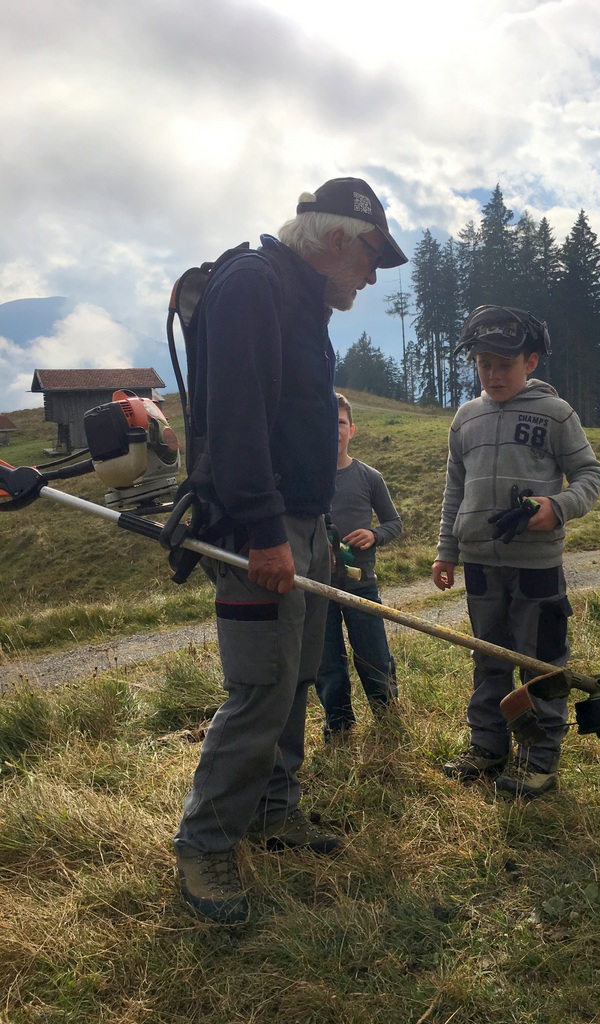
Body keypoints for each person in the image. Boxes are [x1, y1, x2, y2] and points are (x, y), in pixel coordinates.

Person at [173, 178, 408, 926]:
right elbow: (235, 421)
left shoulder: (303, 301)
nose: (373, 276)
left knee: (299, 675)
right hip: (258, 530)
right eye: (372, 256)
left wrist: (306, 530)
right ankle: (204, 843)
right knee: (260, 689)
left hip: (303, 524)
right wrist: (268, 532)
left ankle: (275, 811)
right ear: (336, 238)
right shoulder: (253, 284)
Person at [431, 305, 600, 799]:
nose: (491, 374)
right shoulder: (465, 418)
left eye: (502, 364)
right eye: (482, 364)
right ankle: (487, 748)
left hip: (537, 567)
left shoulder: (556, 414)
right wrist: (447, 551)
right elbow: (454, 490)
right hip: (481, 565)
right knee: (488, 659)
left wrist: (558, 506)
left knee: (542, 662)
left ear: (530, 361)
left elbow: (590, 475)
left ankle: (538, 760)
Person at [315, 392, 402, 740]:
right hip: (318, 587)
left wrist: (374, 534)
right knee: (327, 664)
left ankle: (388, 716)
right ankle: (338, 726)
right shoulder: (306, 479)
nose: (333, 429)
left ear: (352, 430)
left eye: (339, 423)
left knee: (374, 656)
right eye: (326, 423)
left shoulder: (369, 477)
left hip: (361, 584)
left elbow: (394, 523)